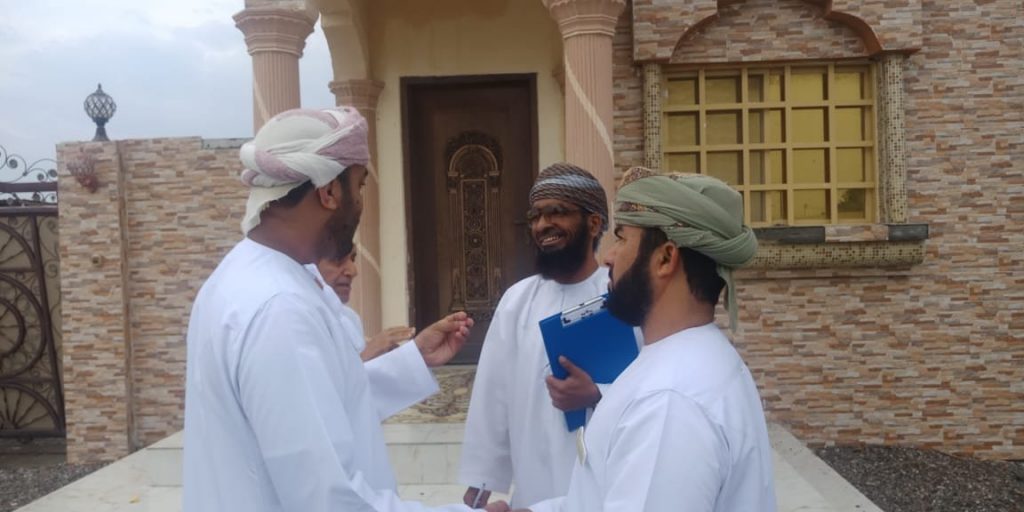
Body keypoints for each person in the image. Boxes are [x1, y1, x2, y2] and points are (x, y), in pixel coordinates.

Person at [182, 106, 510, 512]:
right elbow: (329, 498)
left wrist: (412, 359)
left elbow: (322, 404)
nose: (360, 203)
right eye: (359, 185)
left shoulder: (244, 277)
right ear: (329, 192)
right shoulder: (279, 307)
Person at [521, 167, 776, 512]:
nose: (609, 256)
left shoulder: (667, 404)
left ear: (665, 259)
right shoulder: (696, 357)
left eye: (622, 238)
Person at [459, 163, 639, 509]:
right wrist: (481, 481)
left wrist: (597, 394)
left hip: (607, 484)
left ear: (594, 223)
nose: (543, 225)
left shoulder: (622, 295)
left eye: (557, 212)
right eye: (536, 216)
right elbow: (493, 395)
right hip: (534, 485)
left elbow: (649, 384)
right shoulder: (517, 301)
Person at [313, 248, 415, 361]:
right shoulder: (301, 315)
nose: (353, 271)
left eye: (353, 259)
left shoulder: (350, 318)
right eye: (338, 258)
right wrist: (367, 354)